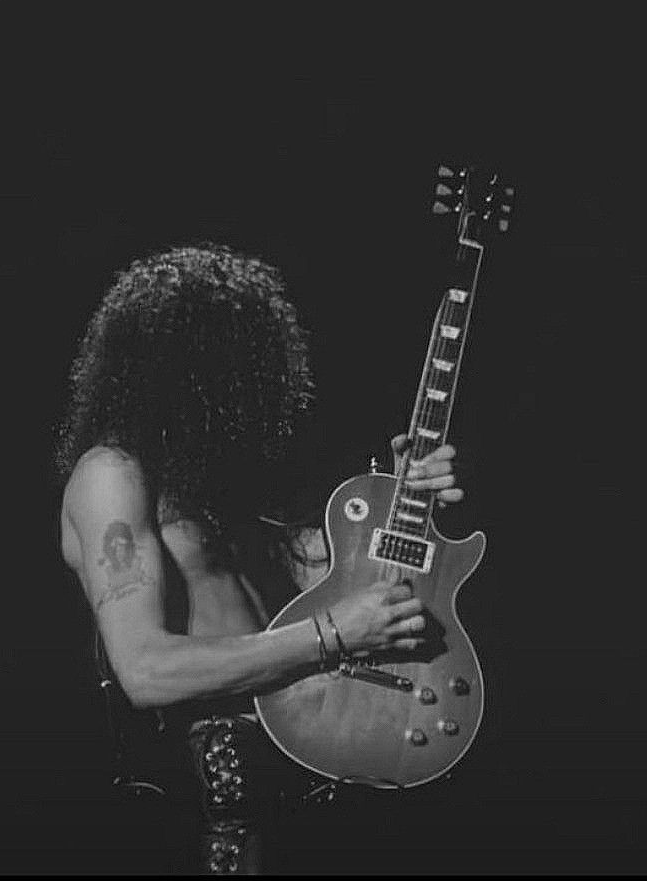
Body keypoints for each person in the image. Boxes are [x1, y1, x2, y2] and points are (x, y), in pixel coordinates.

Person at [55, 243, 463, 875]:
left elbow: (333, 579)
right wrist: (331, 636)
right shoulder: (112, 475)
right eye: (238, 368)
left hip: (307, 770)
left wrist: (401, 500)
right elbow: (145, 671)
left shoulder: (225, 484)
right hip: (211, 797)